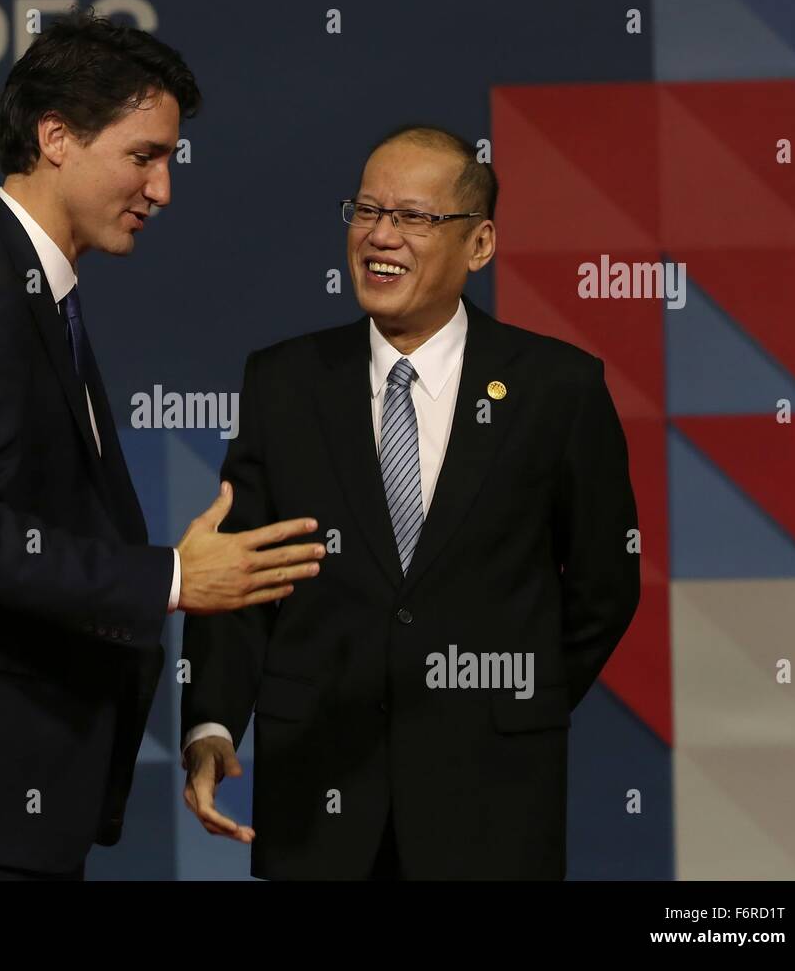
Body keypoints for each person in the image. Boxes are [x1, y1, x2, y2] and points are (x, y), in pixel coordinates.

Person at [0, 9, 323, 880]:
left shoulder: (26, 288)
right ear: (56, 136)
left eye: (167, 158)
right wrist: (173, 578)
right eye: (144, 156)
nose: (163, 188)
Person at [180, 125, 641, 880]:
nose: (380, 235)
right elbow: (241, 577)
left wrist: (508, 699)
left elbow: (602, 587)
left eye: (415, 217)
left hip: (493, 805)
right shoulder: (284, 382)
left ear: (480, 244)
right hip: (316, 806)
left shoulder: (557, 388)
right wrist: (211, 721)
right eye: (366, 211)